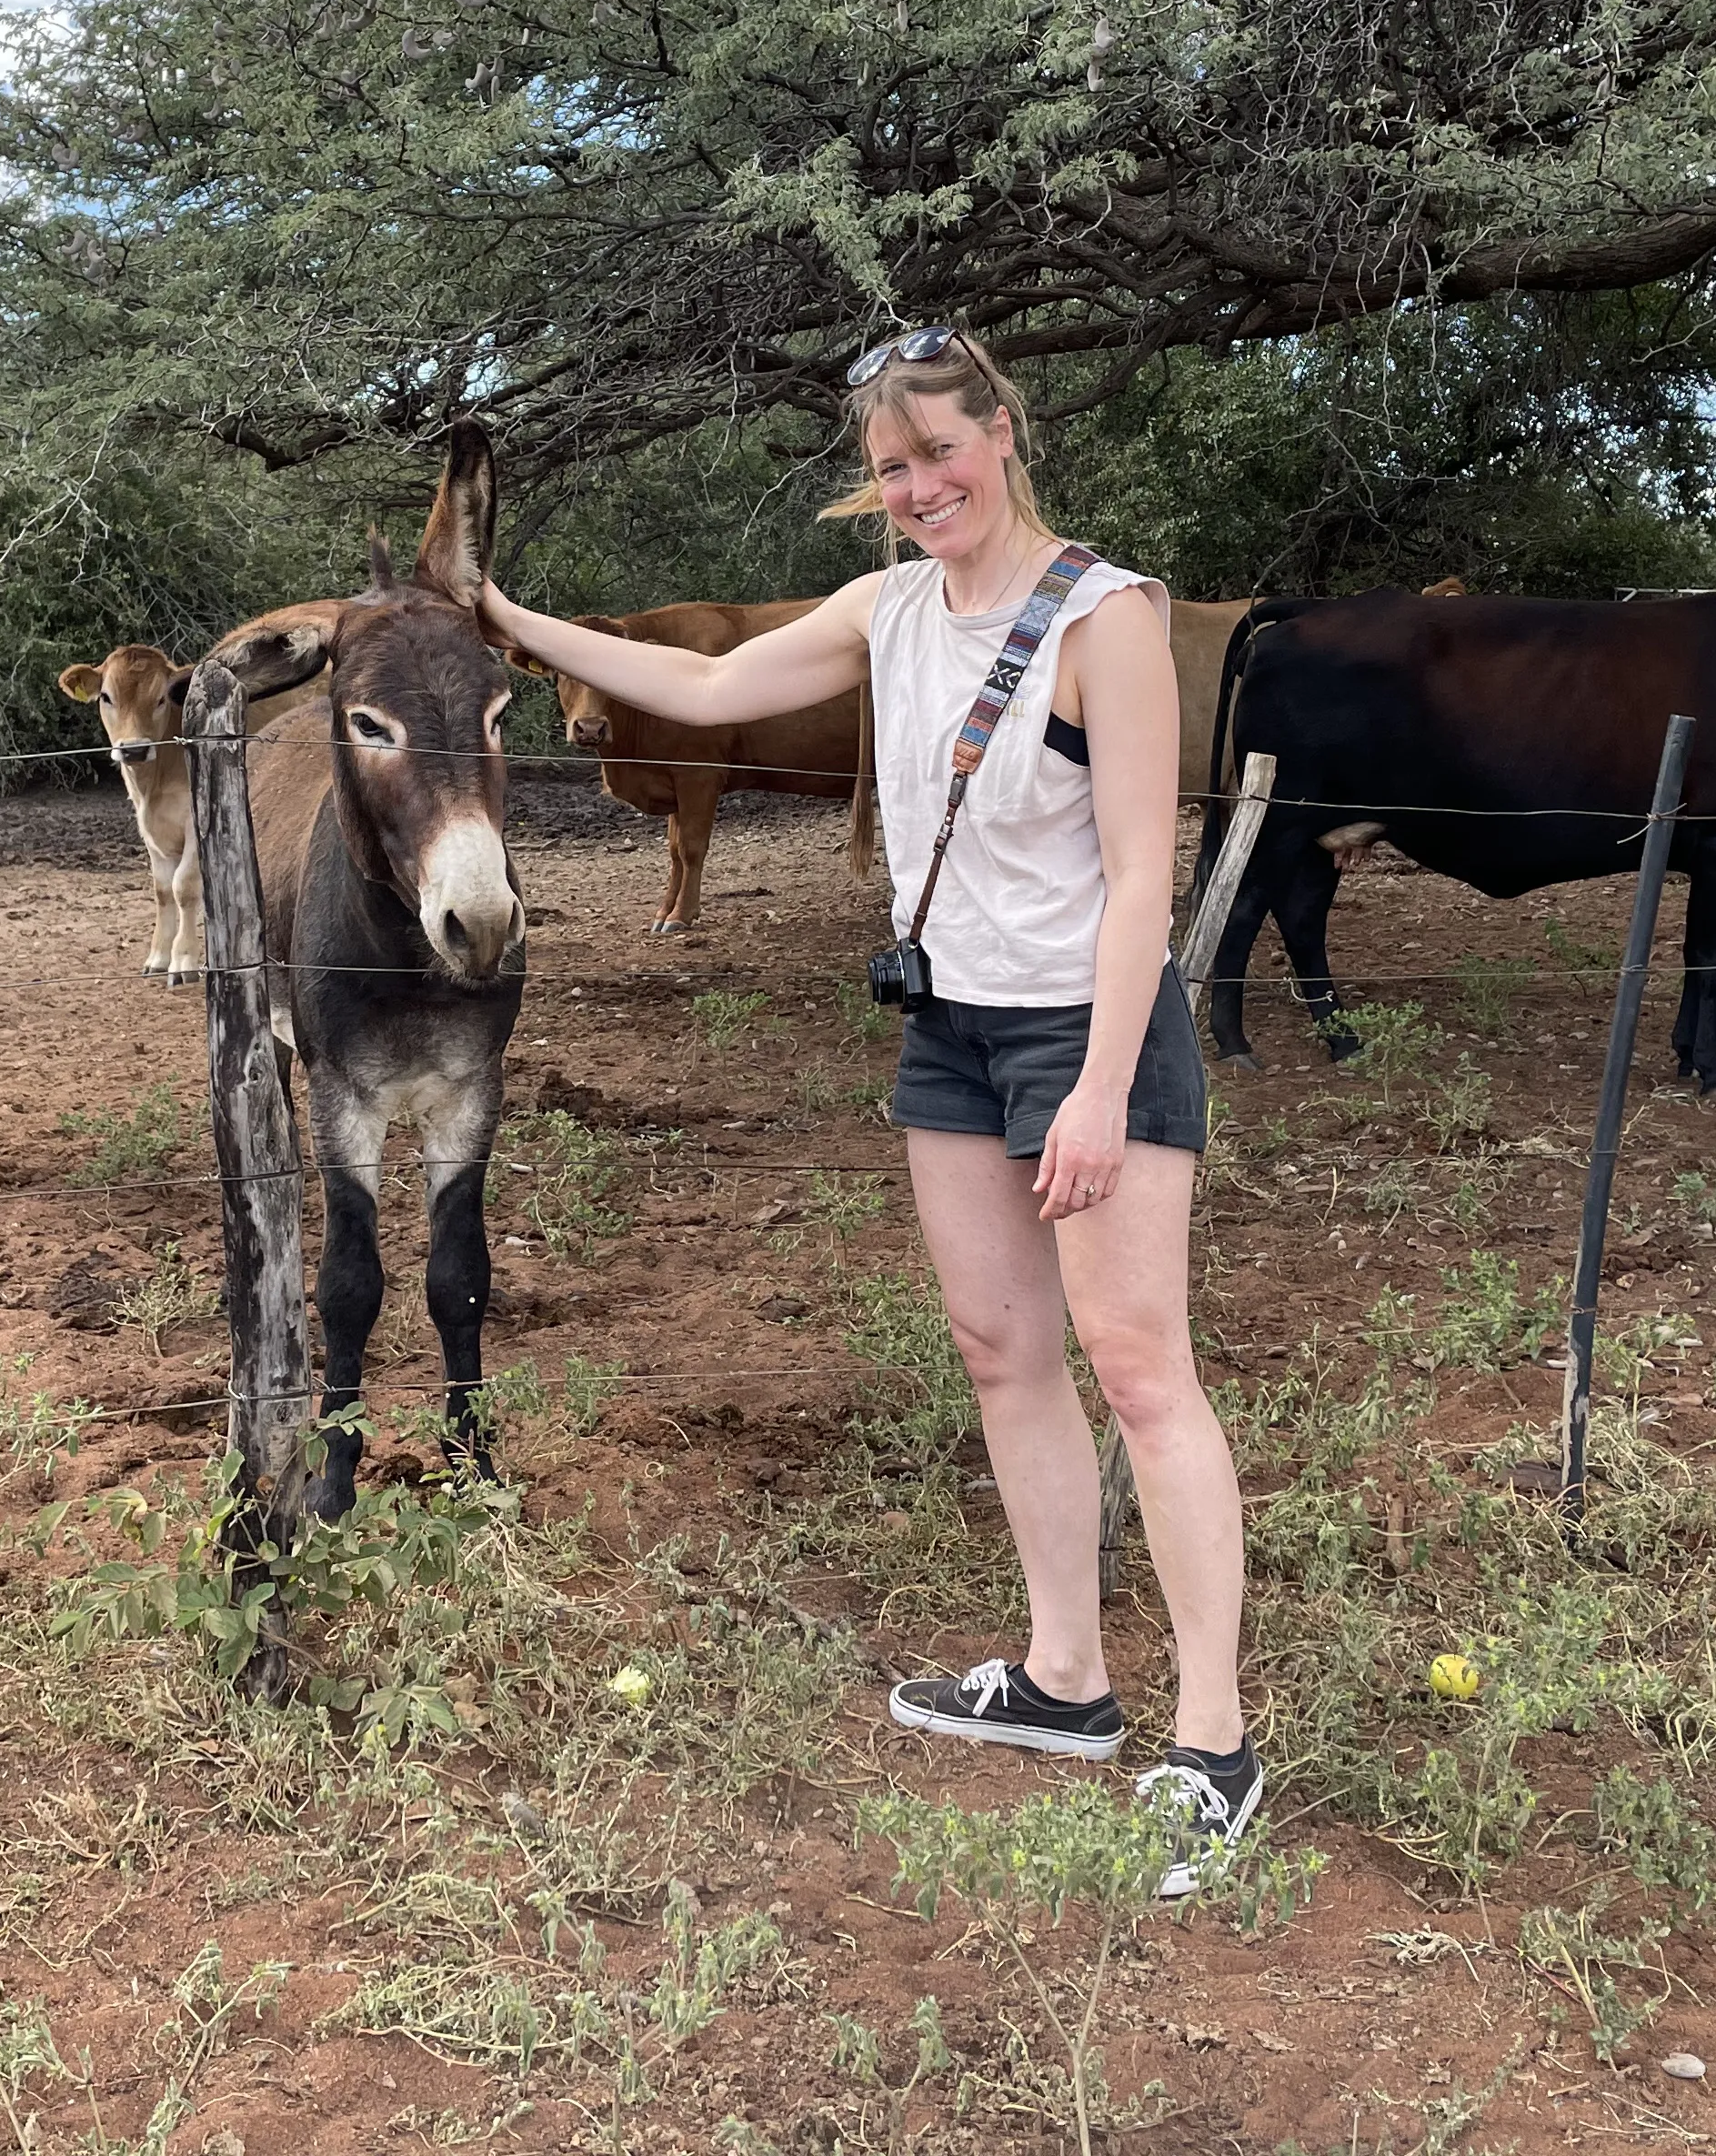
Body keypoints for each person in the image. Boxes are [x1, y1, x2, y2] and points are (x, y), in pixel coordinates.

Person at [482, 326, 1257, 1894]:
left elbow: (1137, 891)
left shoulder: (1107, 619)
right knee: (999, 1347)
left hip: (1080, 1033)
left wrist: (1102, 1089)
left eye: (940, 454)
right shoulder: (886, 606)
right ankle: (1063, 1682)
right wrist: (506, 618)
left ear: (1005, 430)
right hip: (949, 1026)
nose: (919, 489)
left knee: (1138, 1366)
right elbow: (700, 685)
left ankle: (1214, 1742)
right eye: (892, 469)